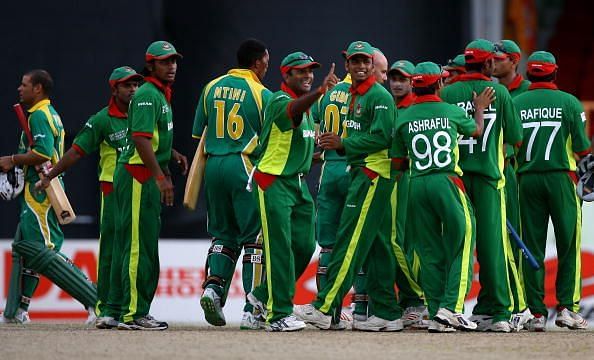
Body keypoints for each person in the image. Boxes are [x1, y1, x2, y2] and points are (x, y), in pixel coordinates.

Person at [295, 41, 402, 332]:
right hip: (361, 173)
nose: (361, 67)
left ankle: (325, 306)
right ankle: (388, 313)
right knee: (377, 246)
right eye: (355, 62)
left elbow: (381, 138)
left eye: (365, 62)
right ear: (347, 66)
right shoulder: (355, 95)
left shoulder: (379, 96)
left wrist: (344, 144)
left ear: (372, 64)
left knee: (349, 241)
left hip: (372, 175)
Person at [35, 66, 143, 329]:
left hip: (140, 189)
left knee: (134, 251)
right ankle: (105, 307)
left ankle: (129, 309)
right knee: (112, 250)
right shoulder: (102, 119)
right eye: (127, 85)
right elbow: (75, 152)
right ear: (114, 89)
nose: (133, 90)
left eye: (136, 85)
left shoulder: (143, 114)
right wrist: (50, 174)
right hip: (113, 191)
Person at [392, 62, 495, 332]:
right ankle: (452, 309)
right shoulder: (449, 111)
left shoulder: (403, 117)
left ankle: (437, 312)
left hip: (415, 184)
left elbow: (397, 161)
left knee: (428, 252)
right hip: (446, 181)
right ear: (439, 84)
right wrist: (480, 109)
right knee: (464, 238)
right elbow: (476, 130)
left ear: (414, 85)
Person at [246, 51, 339, 332]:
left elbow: (299, 143)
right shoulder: (279, 100)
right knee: (280, 249)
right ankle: (278, 314)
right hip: (273, 182)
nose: (308, 76)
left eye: (311, 71)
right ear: (286, 76)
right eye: (301, 72)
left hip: (297, 184)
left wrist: (316, 153)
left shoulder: (309, 110)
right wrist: (321, 92)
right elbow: (292, 111)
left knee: (303, 246)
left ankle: (261, 297)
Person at [0, 70, 97, 324]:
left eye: (24, 85)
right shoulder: (47, 113)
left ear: (38, 89)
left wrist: (11, 160)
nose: (19, 89)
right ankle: (16, 311)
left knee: (40, 251)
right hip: (42, 188)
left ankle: (95, 300)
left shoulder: (40, 116)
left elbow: (42, 153)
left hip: (40, 192)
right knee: (25, 249)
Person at [440, 39, 523, 332]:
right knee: (493, 247)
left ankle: (450, 310)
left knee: (455, 245)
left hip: (455, 178)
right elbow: (515, 136)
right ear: (488, 64)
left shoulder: (447, 93)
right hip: (489, 179)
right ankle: (499, 314)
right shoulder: (499, 92)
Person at [191, 39, 272, 330]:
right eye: (266, 60)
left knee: (223, 235)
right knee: (255, 239)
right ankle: (252, 310)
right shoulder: (261, 93)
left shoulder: (210, 88)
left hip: (213, 165)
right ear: (257, 62)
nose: (268, 66)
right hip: (244, 166)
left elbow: (198, 134)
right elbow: (271, 140)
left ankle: (212, 289)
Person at [514, 51, 591, 331]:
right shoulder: (569, 102)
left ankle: (535, 313)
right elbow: (583, 148)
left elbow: (511, 145)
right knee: (568, 245)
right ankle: (567, 309)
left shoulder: (516, 102)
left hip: (527, 180)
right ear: (554, 73)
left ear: (529, 73)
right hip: (562, 179)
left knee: (530, 247)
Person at [114, 41, 187, 330]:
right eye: (164, 62)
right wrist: (161, 176)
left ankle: (135, 310)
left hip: (145, 177)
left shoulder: (159, 94)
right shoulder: (146, 94)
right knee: (135, 248)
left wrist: (173, 154)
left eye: (174, 61)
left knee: (144, 247)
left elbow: (154, 139)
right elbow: (141, 140)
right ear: (150, 65)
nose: (171, 66)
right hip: (137, 178)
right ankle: (130, 314)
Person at [492, 39, 533, 329]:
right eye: (491, 57)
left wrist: (504, 151)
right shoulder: (487, 90)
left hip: (516, 175)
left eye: (500, 57)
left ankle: (525, 306)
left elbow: (523, 139)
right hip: (493, 173)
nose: (494, 62)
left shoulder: (530, 93)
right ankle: (501, 304)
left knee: (516, 243)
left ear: (514, 60)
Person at [387, 59, 429, 328]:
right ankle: (410, 301)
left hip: (411, 180)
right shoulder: (389, 107)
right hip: (393, 180)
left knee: (401, 243)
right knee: (399, 243)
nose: (397, 83)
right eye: (393, 78)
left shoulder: (415, 108)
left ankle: (418, 298)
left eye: (403, 78)